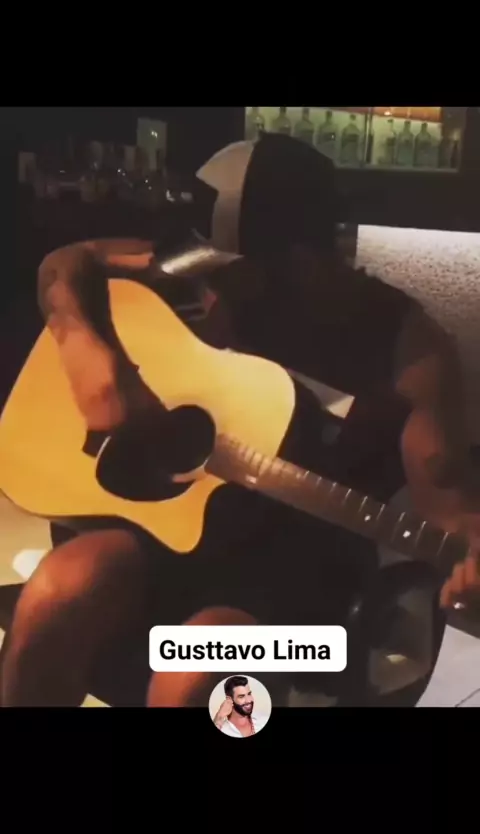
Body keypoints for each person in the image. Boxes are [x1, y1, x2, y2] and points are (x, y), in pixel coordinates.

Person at [1, 134, 479, 708]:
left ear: (303, 263)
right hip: (178, 544)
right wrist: (84, 346)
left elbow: (450, 505)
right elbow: (65, 263)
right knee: (58, 590)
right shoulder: (211, 276)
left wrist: (471, 563)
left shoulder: (409, 351)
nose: (209, 292)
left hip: (313, 610)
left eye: (230, 274)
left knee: (197, 665)